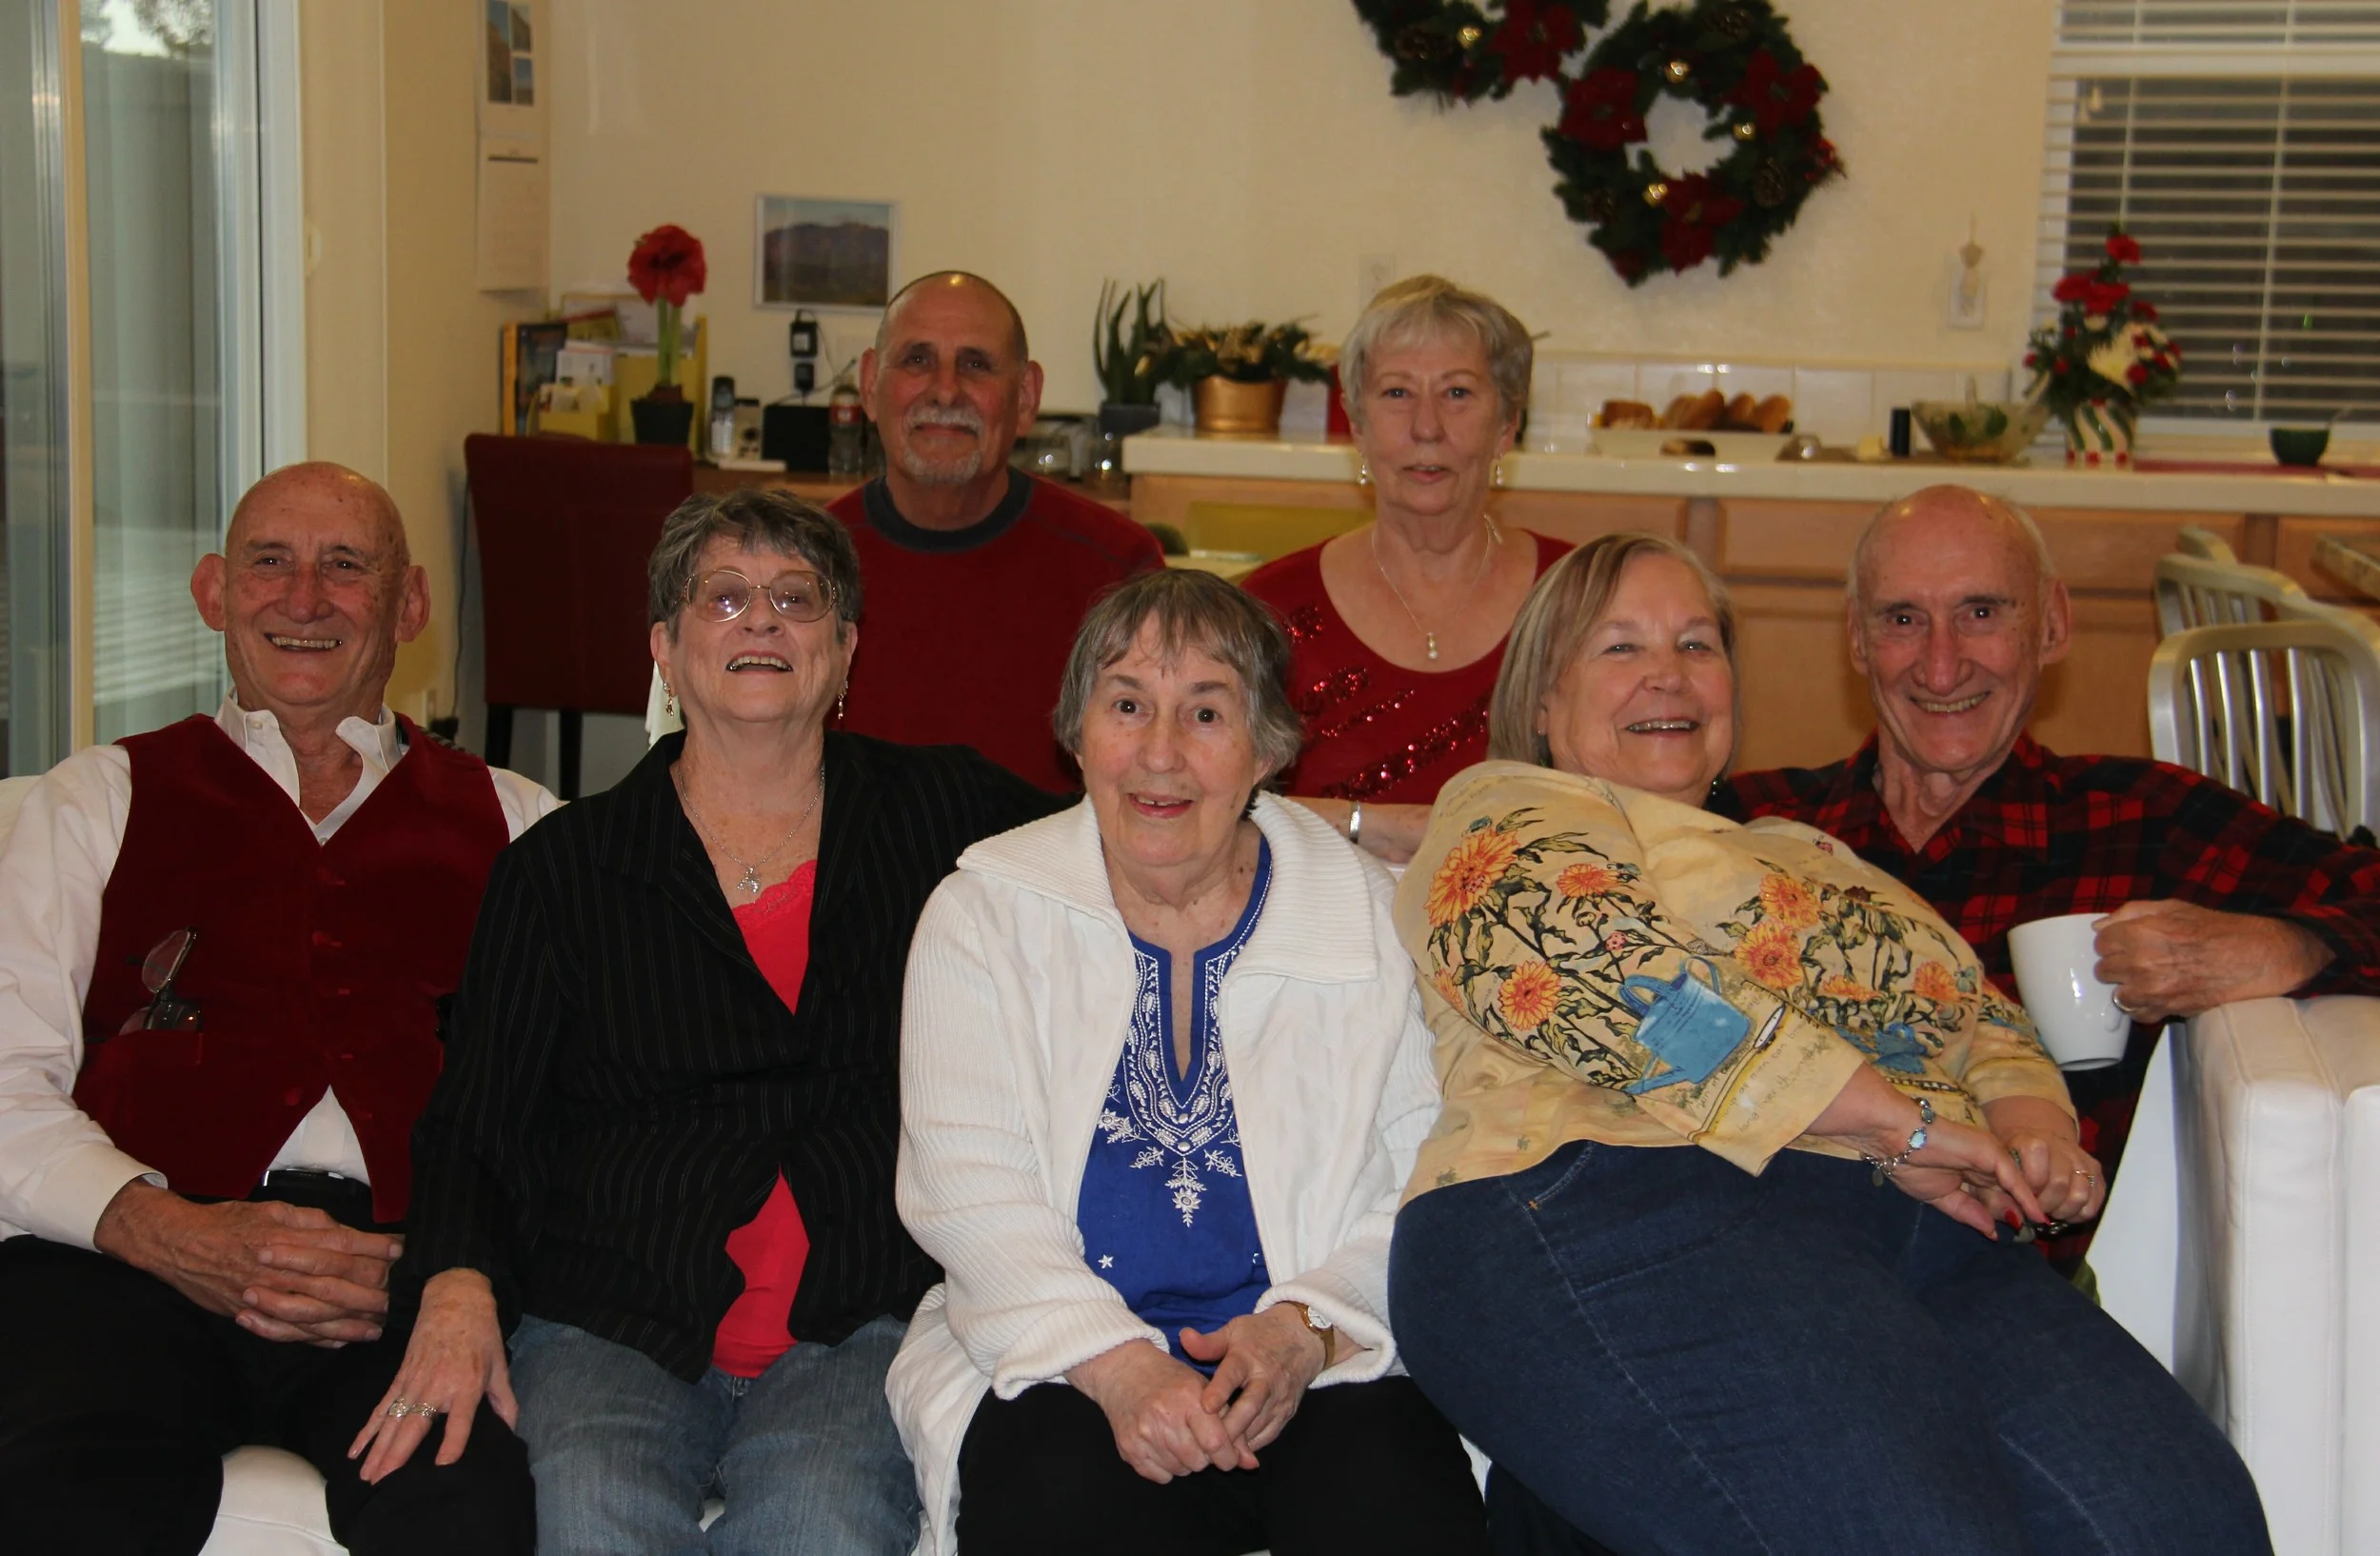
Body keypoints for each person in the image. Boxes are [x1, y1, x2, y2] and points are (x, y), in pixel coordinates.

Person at [1386, 531, 2269, 1555]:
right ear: (1542, 700)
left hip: (1899, 1224)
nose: (1669, 672)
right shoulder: (1507, 801)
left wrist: (2032, 1133)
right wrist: (1901, 1126)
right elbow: (1604, 975)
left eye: (1697, 644)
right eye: (1620, 647)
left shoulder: (1808, 849)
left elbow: (1976, 1012)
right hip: (1604, 1193)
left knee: (2184, 1519)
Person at [356, 489, 1059, 1554]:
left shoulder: (946, 814)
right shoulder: (563, 868)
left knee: (821, 1525)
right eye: (722, 597)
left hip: (861, 1312)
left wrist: (1302, 829)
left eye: (797, 598)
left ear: (845, 647)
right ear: (665, 649)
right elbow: (478, 1122)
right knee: (589, 1514)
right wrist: (456, 1287)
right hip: (612, 1313)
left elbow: (1134, 836)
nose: (761, 618)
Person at [0, 462, 551, 1556]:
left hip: (398, 1283)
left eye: (346, 566)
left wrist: (456, 1267)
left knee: (468, 1512)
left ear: (409, 604)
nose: (304, 598)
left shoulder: (524, 823)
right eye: (269, 562)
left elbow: (573, 1109)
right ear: (213, 591)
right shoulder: (93, 798)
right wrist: (163, 1228)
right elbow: (7, 1075)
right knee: (54, 1496)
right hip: (125, 1258)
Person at [888, 569, 1489, 1556]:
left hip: (1322, 1367)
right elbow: (965, 1193)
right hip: (1066, 1370)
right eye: (1127, 705)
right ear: (1078, 733)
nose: (1159, 753)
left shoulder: (1370, 915)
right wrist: (1122, 1368)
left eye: (1206, 713)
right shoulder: (984, 914)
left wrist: (1307, 1327)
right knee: (1054, 1504)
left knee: (1394, 1501)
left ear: (1268, 749)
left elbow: (1433, 1178)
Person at [1716, 484, 2380, 1250]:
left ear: (2054, 624)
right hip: (1771, 1255)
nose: (1941, 668)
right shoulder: (1752, 828)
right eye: (1902, 620)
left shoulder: (2142, 827)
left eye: (1981, 613)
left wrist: (2281, 948)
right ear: (1857, 641)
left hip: (2015, 1279)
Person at [1242, 275, 1571, 863]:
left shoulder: (1581, 595)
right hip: (1322, 914)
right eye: (1397, 393)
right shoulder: (1268, 607)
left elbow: (1631, 801)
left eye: (1457, 393)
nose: (1427, 428)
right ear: (1358, 425)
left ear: (1506, 426)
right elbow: (1219, 806)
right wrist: (1386, 826)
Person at [830, 269, 1164, 790]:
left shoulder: (1116, 570)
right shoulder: (805, 565)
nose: (945, 391)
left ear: (1026, 397)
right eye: (917, 360)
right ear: (870, 385)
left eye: (976, 365)